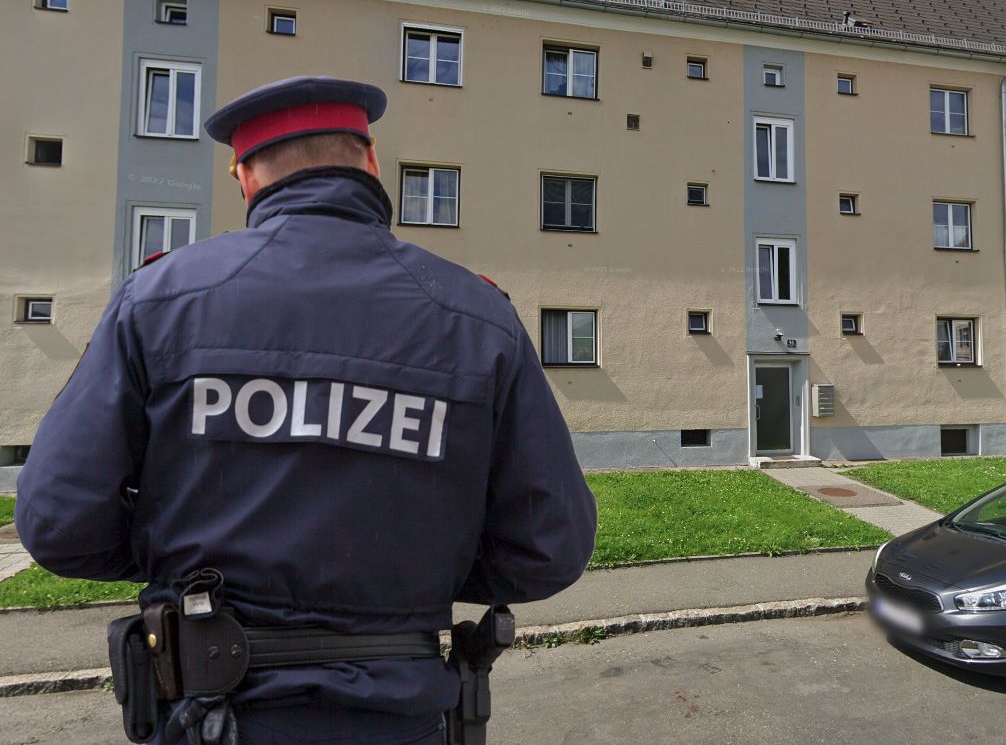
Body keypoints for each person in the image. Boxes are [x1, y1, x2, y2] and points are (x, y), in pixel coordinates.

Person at [15, 76, 597, 743]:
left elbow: (58, 521)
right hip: (401, 718)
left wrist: (176, 553)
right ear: (370, 161)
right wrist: (411, 570)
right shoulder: (478, 316)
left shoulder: (160, 298)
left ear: (245, 177)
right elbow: (549, 545)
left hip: (212, 713)